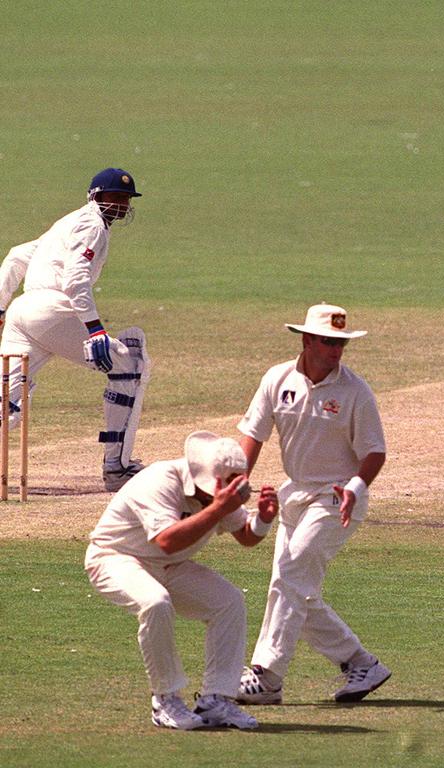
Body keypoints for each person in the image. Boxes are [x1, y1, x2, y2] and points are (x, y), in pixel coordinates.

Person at [235, 303, 390, 706]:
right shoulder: (277, 379)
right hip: (295, 496)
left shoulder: (355, 391)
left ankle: (267, 678)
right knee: (294, 591)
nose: (336, 349)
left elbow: (374, 451)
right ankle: (360, 662)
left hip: (338, 499)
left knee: (290, 575)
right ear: (306, 339)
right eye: (328, 341)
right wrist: (237, 482)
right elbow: (253, 435)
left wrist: (357, 484)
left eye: (341, 342)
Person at [85, 431, 280, 729]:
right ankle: (165, 700)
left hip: (168, 565)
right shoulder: (160, 481)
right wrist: (217, 508)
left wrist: (264, 519)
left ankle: (216, 701)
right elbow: (166, 540)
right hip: (113, 557)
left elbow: (246, 537)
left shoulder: (220, 491)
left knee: (228, 602)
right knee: (155, 602)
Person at [0, 167, 153, 489]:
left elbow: (16, 257)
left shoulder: (67, 222)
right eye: (114, 197)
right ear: (96, 197)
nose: (121, 205)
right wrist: (95, 328)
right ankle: (117, 467)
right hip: (51, 311)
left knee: (6, 402)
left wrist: (1, 306)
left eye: (125, 199)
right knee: (131, 365)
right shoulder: (92, 224)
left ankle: (117, 465)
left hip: (22, 311)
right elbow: (75, 279)